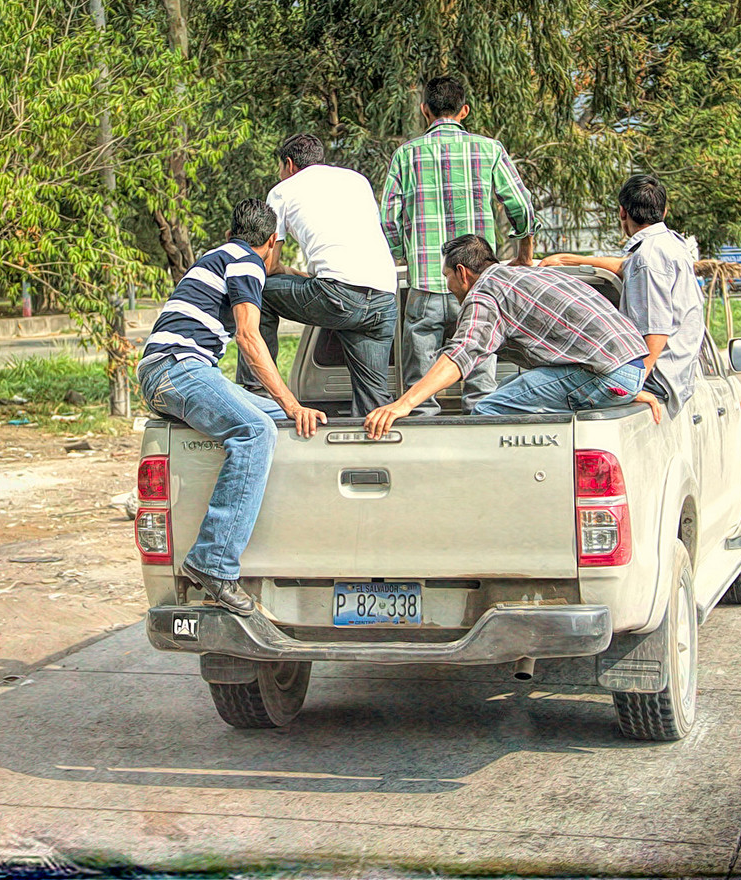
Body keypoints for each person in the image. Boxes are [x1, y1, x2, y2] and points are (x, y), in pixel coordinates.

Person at [137, 199, 327, 616]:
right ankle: (214, 561)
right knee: (258, 430)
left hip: (169, 369)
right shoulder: (246, 263)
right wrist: (292, 401)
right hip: (178, 369)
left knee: (276, 421)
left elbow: (268, 267)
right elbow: (248, 338)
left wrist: (294, 273)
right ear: (273, 242)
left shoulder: (225, 255)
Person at [363, 235, 660, 438]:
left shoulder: (485, 293)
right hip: (630, 366)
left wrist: (404, 403)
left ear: (462, 272)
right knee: (508, 390)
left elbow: (462, 352)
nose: (449, 285)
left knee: (488, 411)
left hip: (606, 374)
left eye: (447, 277)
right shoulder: (529, 274)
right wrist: (626, 384)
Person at [381, 75, 536, 414]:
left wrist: (404, 254)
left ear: (425, 110)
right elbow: (521, 206)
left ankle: (422, 442)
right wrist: (525, 251)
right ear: (464, 110)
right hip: (480, 284)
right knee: (481, 383)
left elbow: (389, 218)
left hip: (426, 283)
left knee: (419, 387)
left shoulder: (406, 155)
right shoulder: (489, 149)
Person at [235, 133, 397, 417]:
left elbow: (269, 264)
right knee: (373, 400)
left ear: (289, 164)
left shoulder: (282, 191)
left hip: (338, 295)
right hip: (384, 297)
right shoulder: (357, 180)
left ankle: (255, 391)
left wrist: (288, 271)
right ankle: (374, 450)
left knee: (260, 290)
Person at [538, 174, 704, 420]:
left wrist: (630, 386)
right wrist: (572, 260)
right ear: (664, 211)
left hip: (655, 381)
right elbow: (623, 266)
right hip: (673, 375)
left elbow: (656, 330)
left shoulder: (646, 260)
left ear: (622, 212)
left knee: (530, 388)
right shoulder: (668, 245)